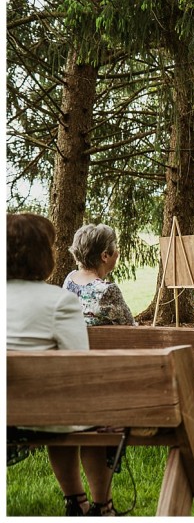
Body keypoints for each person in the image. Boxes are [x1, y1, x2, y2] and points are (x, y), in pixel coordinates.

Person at [63, 224, 194, 426]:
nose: (118, 252)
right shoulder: (107, 290)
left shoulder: (69, 281)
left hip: (85, 365)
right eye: (116, 248)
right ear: (105, 255)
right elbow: (134, 334)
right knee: (181, 358)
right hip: (119, 369)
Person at [6, 213, 116, 516]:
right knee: (91, 413)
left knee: (64, 412)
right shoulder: (58, 301)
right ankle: (100, 505)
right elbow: (79, 370)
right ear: (43, 254)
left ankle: (75, 501)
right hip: (37, 414)